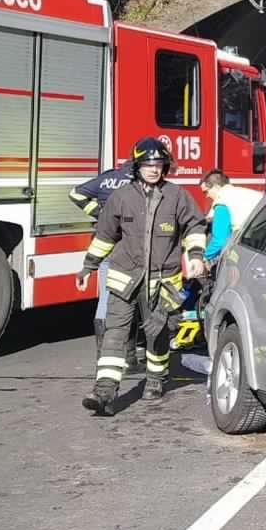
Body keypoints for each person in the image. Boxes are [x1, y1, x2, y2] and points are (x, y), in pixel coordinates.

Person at [75, 137, 208, 415]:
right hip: (125, 280)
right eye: (147, 164)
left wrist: (196, 257)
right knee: (115, 333)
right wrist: (88, 266)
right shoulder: (121, 197)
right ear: (137, 167)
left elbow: (194, 226)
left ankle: (156, 379)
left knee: (158, 334)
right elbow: (105, 236)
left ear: (165, 167)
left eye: (158, 164)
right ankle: (104, 392)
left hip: (163, 284)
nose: (153, 169)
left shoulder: (177, 196)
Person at [68, 160, 139, 367]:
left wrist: (99, 213)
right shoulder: (135, 181)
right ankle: (129, 355)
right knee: (131, 296)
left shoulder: (107, 178)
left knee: (105, 299)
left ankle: (102, 355)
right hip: (126, 245)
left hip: (102, 243)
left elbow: (75, 194)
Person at [199, 170, 263, 267]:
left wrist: (204, 257)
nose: (207, 195)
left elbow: (220, 240)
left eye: (206, 191)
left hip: (250, 246)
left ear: (216, 187)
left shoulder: (222, 201)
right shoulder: (249, 193)